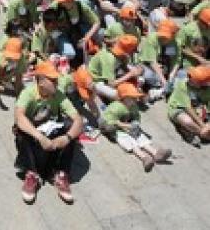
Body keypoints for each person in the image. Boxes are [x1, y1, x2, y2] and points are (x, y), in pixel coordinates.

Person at [14, 61, 83, 204]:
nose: (56, 82)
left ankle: (61, 173)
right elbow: (19, 117)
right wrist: (39, 137)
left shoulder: (58, 95)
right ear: (41, 81)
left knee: (71, 127)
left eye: (56, 79)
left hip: (52, 131)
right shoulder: (28, 93)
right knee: (21, 129)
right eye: (52, 80)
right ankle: (31, 174)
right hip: (34, 134)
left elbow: (78, 120)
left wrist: (67, 137)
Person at [100, 82, 172, 172]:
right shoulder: (116, 107)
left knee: (139, 136)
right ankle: (144, 157)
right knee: (130, 142)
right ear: (124, 98)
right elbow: (109, 121)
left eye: (135, 98)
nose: (135, 100)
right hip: (115, 129)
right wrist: (124, 125)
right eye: (133, 98)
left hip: (127, 126)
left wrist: (135, 123)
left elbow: (137, 116)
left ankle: (155, 153)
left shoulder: (133, 106)